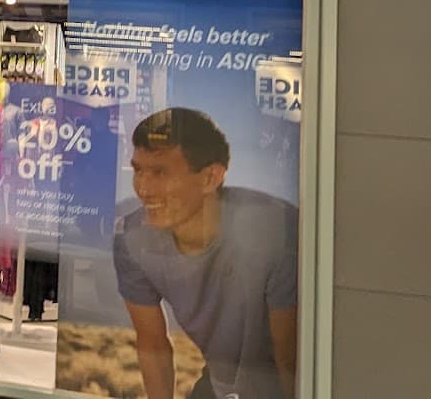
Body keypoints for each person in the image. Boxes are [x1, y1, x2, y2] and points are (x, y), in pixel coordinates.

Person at [114, 108, 298, 399]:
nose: (144, 189)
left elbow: (290, 360)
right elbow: (152, 345)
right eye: (138, 170)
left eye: (160, 172)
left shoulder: (273, 232)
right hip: (219, 381)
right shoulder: (133, 238)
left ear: (211, 177)